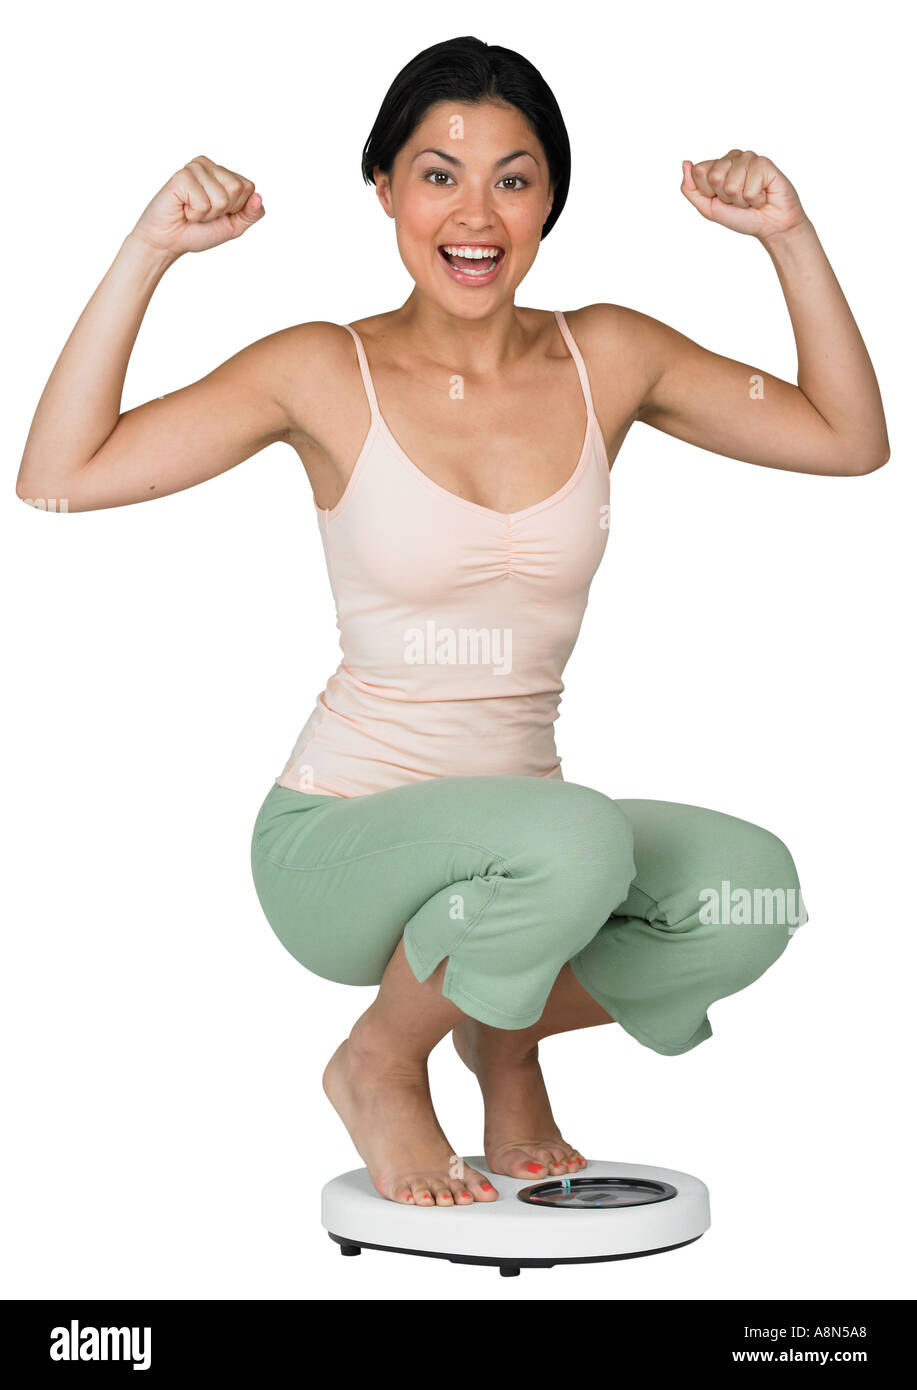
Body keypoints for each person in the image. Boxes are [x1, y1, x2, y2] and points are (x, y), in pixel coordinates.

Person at [17, 36, 889, 1211]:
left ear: (548, 205)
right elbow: (59, 473)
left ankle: (495, 1022)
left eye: (513, 178)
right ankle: (382, 1059)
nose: (474, 213)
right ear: (382, 187)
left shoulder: (609, 356)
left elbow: (847, 440)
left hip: (530, 856)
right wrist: (147, 252)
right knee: (572, 840)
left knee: (750, 891)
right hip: (339, 843)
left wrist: (788, 232)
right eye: (437, 174)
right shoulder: (321, 368)